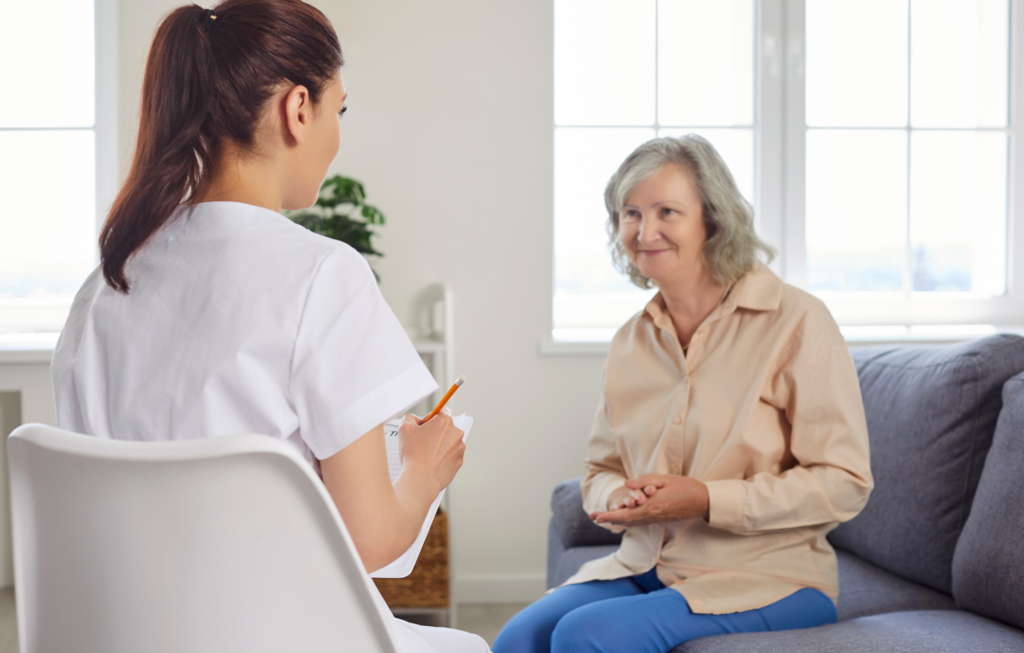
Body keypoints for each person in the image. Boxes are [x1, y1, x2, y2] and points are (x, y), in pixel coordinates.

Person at [49, 2, 488, 651]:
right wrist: (424, 469)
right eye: (340, 110)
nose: (338, 133)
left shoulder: (104, 285)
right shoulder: (322, 275)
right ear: (298, 109)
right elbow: (368, 540)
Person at [493, 135, 874, 653]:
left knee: (586, 636)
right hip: (645, 563)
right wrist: (619, 498)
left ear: (712, 220)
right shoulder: (631, 340)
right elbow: (599, 472)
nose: (645, 232)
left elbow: (845, 483)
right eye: (630, 213)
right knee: (520, 638)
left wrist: (706, 499)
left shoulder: (798, 321)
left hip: (769, 579)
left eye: (666, 211)